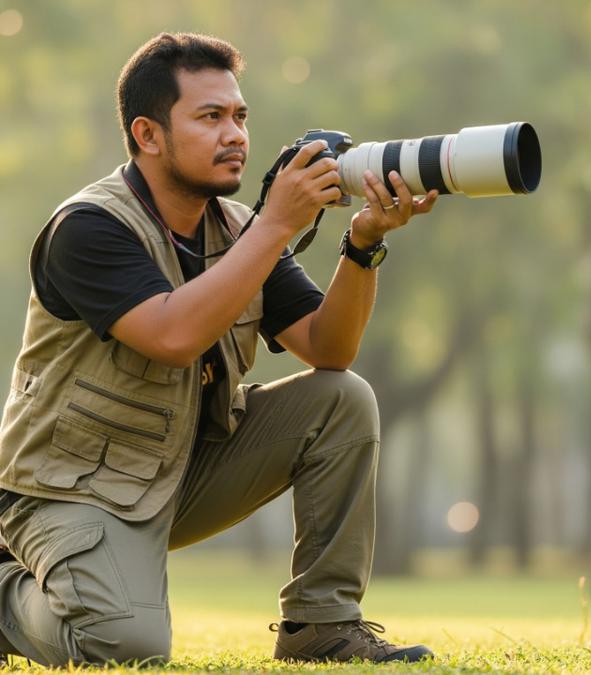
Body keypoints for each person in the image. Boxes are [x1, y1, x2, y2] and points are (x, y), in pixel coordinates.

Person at [0, 32, 438, 666]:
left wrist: (362, 243)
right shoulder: (90, 227)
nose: (235, 134)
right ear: (148, 135)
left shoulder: (239, 228)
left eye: (240, 116)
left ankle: (321, 624)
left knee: (342, 400)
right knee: (124, 645)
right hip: (69, 489)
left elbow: (328, 349)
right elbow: (173, 337)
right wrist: (277, 225)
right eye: (210, 117)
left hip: (175, 470)